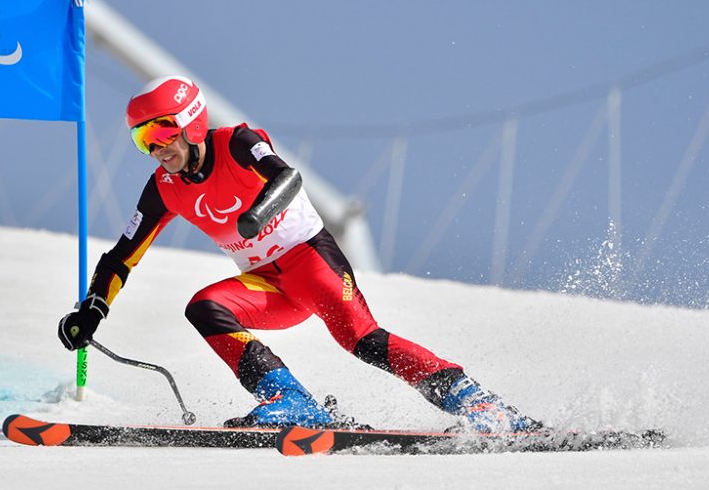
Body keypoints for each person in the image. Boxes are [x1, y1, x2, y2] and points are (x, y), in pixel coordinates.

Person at [58, 75, 539, 433]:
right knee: (205, 307)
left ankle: (476, 402)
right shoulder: (164, 188)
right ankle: (291, 401)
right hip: (268, 286)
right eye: (143, 139)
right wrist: (92, 310)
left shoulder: (238, 142)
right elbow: (122, 256)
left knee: (362, 340)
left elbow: (287, 178)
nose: (156, 148)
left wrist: (258, 214)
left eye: (162, 132)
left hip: (311, 259)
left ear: (191, 122)